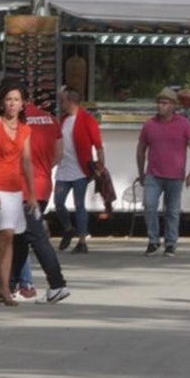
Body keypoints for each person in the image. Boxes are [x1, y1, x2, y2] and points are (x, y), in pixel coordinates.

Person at [0, 80, 35, 307]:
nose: (12, 104)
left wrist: (32, 193)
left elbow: (28, 162)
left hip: (15, 187)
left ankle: (4, 285)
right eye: (9, 100)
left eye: (16, 100)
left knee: (9, 239)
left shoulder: (25, 129)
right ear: (2, 103)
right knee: (5, 234)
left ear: (23, 105)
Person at [16, 101, 71, 303]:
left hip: (23, 187)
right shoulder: (50, 119)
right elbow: (58, 153)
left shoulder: (17, 121)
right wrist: (44, 169)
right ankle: (12, 284)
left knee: (35, 236)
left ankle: (57, 284)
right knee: (21, 238)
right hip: (43, 184)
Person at [136, 87, 190, 256]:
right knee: (149, 205)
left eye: (164, 103)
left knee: (172, 210)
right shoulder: (149, 124)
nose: (160, 106)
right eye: (159, 103)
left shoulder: (183, 124)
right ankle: (153, 240)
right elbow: (141, 149)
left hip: (175, 175)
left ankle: (170, 243)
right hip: (153, 174)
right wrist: (141, 172)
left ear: (173, 106)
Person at [54, 87, 105, 254]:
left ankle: (82, 240)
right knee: (59, 202)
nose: (61, 103)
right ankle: (68, 228)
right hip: (63, 169)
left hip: (80, 170)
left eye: (63, 100)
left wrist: (100, 166)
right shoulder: (62, 120)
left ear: (70, 101)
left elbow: (98, 146)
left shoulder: (87, 119)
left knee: (79, 204)